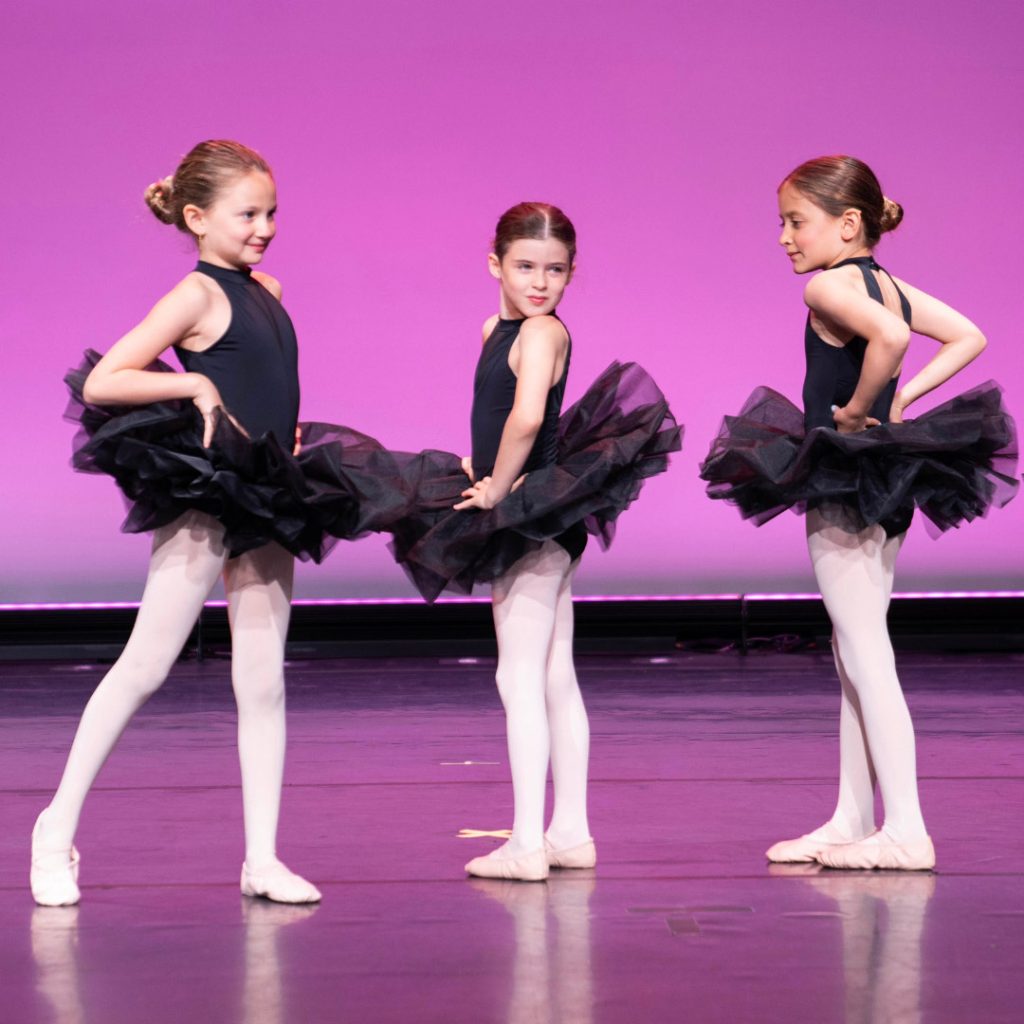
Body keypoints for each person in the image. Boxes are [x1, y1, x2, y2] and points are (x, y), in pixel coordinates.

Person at [32, 139, 387, 906]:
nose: (264, 228)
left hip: (269, 491)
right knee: (147, 664)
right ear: (197, 218)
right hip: (206, 493)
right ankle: (54, 830)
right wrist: (192, 385)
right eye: (247, 214)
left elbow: (266, 379)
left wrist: (286, 430)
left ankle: (262, 858)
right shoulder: (195, 296)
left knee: (262, 680)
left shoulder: (269, 291)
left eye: (271, 213)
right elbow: (104, 379)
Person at [700, 155, 1018, 871]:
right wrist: (903, 399)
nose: (784, 237)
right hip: (887, 475)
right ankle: (852, 816)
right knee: (854, 648)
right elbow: (967, 335)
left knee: (866, 652)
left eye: (796, 222)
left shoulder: (826, 285)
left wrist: (855, 408)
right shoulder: (886, 285)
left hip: (846, 474)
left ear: (847, 224)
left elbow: (893, 341)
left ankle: (905, 827)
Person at [388, 203, 682, 880]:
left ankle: (526, 843)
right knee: (552, 673)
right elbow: (500, 413)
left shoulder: (544, 331)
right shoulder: (498, 329)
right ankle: (570, 832)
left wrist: (496, 485)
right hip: (543, 510)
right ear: (495, 265)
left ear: (572, 272)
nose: (540, 283)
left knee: (517, 674)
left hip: (529, 510)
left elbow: (525, 419)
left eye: (554, 270)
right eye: (525, 267)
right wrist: (482, 462)